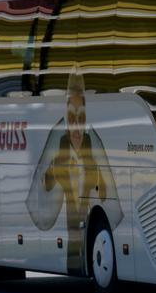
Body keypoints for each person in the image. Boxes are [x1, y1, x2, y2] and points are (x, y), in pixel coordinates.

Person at [43, 71, 108, 274]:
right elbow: (46, 184)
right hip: (70, 232)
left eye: (81, 118)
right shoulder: (60, 151)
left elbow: (105, 193)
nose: (77, 127)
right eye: (72, 118)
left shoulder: (93, 153)